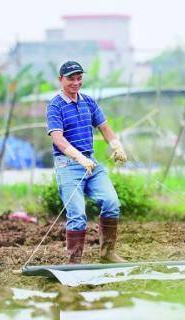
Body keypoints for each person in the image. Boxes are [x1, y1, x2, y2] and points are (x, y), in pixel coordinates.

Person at [46, 60, 128, 264]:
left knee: (111, 202)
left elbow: (105, 128)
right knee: (77, 215)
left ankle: (107, 253)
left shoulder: (88, 102)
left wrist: (116, 145)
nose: (75, 82)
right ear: (60, 80)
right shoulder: (55, 105)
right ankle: (74, 262)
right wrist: (78, 157)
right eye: (71, 79)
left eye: (79, 78)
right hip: (68, 164)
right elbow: (57, 138)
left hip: (90, 163)